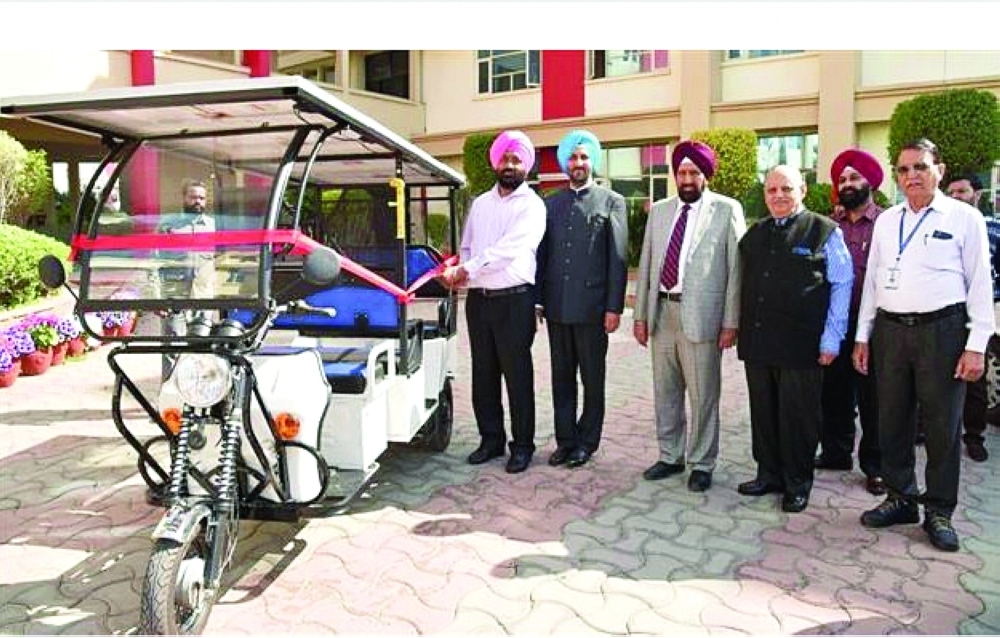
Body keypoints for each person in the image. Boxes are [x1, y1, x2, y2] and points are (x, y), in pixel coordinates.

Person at [853, 138, 995, 552]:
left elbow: (979, 284)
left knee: (941, 425)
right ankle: (900, 497)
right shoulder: (887, 220)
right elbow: (874, 282)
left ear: (940, 170)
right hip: (891, 331)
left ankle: (938, 510)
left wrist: (976, 345)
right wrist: (863, 335)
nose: (911, 176)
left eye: (920, 167)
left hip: (942, 332)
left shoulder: (965, 217)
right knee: (891, 419)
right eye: (903, 170)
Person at [736, 165, 853, 513]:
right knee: (765, 414)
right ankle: (768, 473)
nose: (778, 196)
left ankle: (797, 483)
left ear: (802, 188)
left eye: (786, 188)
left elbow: (842, 285)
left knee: (798, 418)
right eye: (771, 190)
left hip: (803, 345)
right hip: (760, 342)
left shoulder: (824, 231)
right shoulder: (755, 234)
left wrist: (833, 338)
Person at [632, 140, 746, 492]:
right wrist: (639, 315)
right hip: (662, 311)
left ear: (705, 175)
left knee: (703, 395)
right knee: (665, 391)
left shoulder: (727, 210)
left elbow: (736, 271)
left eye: (694, 172)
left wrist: (731, 322)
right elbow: (647, 264)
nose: (686, 178)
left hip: (703, 318)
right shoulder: (661, 211)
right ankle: (670, 455)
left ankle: (701, 462)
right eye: (681, 172)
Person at [440, 130, 546, 474]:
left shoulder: (532, 205)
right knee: (483, 374)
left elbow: (508, 251)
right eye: (505, 158)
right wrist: (463, 272)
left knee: (517, 375)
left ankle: (523, 446)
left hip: (514, 301)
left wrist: (466, 269)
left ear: (526, 166)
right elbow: (468, 245)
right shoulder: (481, 202)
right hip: (479, 301)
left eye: (517, 159)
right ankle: (491, 440)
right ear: (495, 162)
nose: (510, 165)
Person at [535, 130, 628, 469]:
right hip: (557, 308)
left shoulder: (612, 201)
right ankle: (565, 440)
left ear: (593, 161)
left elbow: (618, 258)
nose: (578, 163)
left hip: (592, 311)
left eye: (584, 157)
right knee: (561, 378)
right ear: (565, 163)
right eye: (573, 158)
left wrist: (614, 307)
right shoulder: (550, 203)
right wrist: (539, 300)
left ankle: (587, 442)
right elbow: (542, 255)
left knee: (592, 378)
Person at [817, 149, 886, 495]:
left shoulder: (887, 223)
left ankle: (875, 466)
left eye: (854, 178)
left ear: (870, 182)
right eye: (842, 179)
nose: (847, 184)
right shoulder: (830, 226)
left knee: (872, 397)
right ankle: (835, 452)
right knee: (834, 391)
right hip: (836, 321)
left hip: (874, 323)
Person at [945, 173, 1000, 462]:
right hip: (943, 314)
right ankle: (922, 430)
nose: (956, 197)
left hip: (978, 311)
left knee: (975, 378)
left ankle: (974, 436)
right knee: (935, 372)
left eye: (962, 191)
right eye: (951, 192)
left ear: (976, 194)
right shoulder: (938, 225)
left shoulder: (993, 228)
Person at [158, 179, 216, 381]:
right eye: (193, 197)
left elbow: (222, 262)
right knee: (171, 348)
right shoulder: (168, 225)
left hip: (203, 297)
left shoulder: (213, 226)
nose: (197, 201)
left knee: (202, 348)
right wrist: (156, 297)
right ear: (184, 198)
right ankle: (168, 397)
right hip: (175, 297)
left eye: (201, 197)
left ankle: (198, 399)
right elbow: (153, 262)